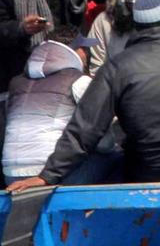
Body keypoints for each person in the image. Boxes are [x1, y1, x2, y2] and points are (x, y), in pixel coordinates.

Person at [7, 0, 160, 192]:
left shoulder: (116, 67)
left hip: (152, 172)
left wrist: (48, 175)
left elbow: (85, 129)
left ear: (136, 26)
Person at [2, 26, 98, 184]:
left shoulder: (15, 84)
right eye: (83, 48)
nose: (87, 54)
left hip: (11, 173)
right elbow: (103, 140)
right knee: (115, 157)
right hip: (55, 173)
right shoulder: (80, 81)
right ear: (74, 52)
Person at [88, 0, 158, 76]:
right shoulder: (104, 21)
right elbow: (96, 69)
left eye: (141, 3)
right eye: (131, 3)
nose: (136, 9)